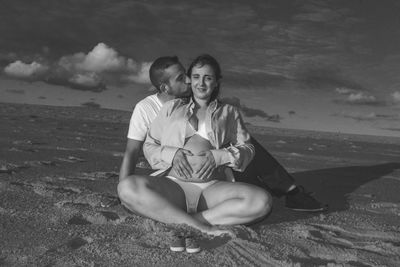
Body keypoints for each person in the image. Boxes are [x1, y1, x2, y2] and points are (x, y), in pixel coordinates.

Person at [118, 55, 326, 213]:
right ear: (165, 87)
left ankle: (289, 190)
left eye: (188, 75)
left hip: (215, 171)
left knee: (246, 149)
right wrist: (122, 193)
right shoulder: (147, 109)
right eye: (182, 78)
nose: (190, 81)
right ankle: (280, 190)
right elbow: (133, 151)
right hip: (174, 177)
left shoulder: (200, 100)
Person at [118, 55, 271, 236]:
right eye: (197, 77)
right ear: (191, 79)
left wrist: (218, 156)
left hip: (212, 188)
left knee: (262, 201)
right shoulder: (171, 108)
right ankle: (203, 227)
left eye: (208, 78)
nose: (201, 83)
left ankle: (186, 220)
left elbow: (248, 148)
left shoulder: (229, 112)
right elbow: (149, 145)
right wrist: (172, 155)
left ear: (216, 82)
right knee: (127, 188)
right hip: (174, 185)